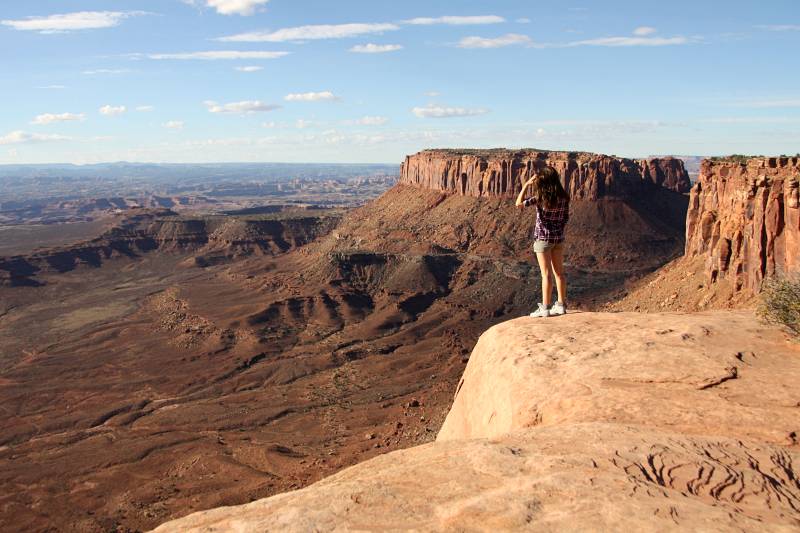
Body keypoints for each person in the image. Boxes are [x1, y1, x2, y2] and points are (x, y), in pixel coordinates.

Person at [515, 166, 570, 317]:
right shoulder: (564, 197)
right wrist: (557, 229)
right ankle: (561, 305)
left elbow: (518, 204)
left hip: (543, 239)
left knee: (546, 275)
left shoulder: (540, 198)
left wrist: (526, 185)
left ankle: (545, 308)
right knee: (559, 273)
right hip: (558, 239)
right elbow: (566, 218)